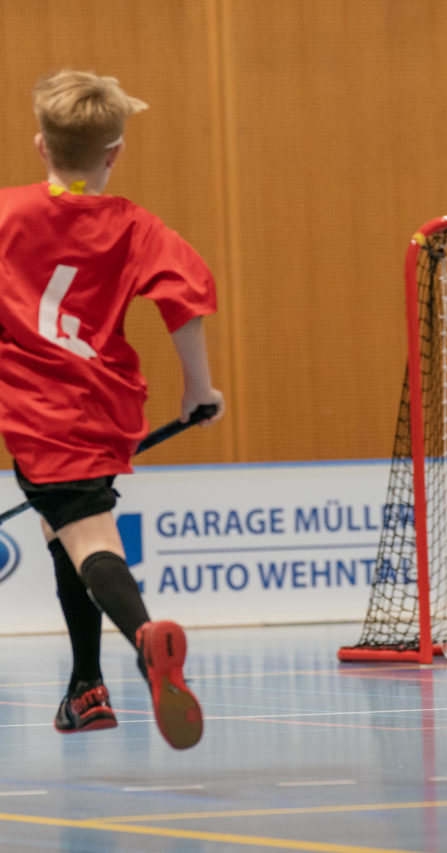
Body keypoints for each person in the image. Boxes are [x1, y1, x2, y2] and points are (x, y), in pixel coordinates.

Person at [0, 70, 225, 748]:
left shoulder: (6, 213)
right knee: (62, 530)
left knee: (89, 537)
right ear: (115, 152)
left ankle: (144, 639)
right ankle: (86, 689)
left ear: (41, 145)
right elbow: (184, 300)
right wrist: (199, 390)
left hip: (40, 412)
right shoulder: (135, 225)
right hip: (102, 404)